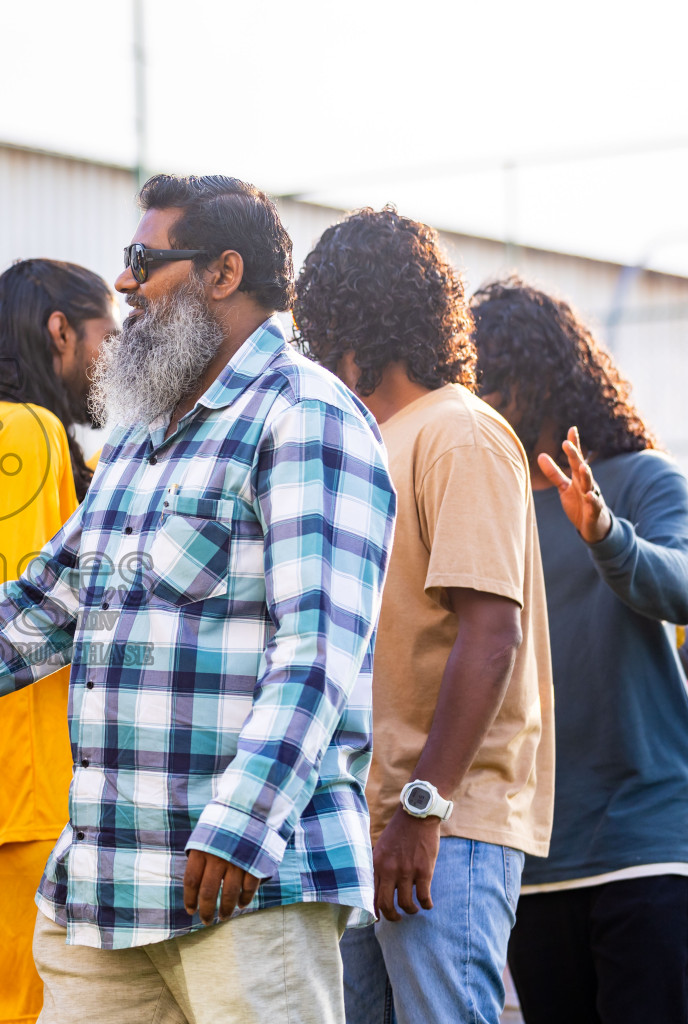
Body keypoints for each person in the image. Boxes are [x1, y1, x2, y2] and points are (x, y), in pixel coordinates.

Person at [0, 173, 398, 1023]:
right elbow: (45, 607)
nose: (124, 284)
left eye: (146, 262)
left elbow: (317, 653)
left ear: (223, 274)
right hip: (105, 891)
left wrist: (242, 826)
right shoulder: (139, 436)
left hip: (247, 884)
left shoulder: (307, 417)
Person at [294, 209, 554, 1024]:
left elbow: (492, 631)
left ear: (348, 316)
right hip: (364, 823)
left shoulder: (460, 431)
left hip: (443, 824)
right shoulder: (375, 439)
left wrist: (421, 808)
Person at [472, 277, 688, 1023]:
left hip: (651, 845)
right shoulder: (488, 500)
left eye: (498, 374)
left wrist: (606, 534)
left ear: (548, 370)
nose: (487, 397)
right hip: (536, 860)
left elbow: (685, 592)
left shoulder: (644, 478)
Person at [0, 259, 114, 1024]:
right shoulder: (26, 432)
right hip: (32, 796)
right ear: (61, 330)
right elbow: (33, 617)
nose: (118, 358)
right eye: (110, 335)